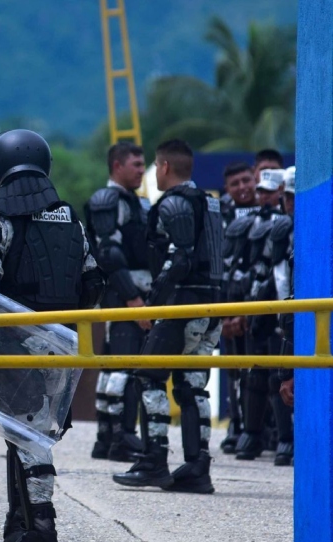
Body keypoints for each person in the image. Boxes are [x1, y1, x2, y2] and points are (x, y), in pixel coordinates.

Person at [0, 129, 105, 542]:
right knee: (28, 436)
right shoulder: (71, 220)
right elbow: (93, 283)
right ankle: (20, 523)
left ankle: (41, 534)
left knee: (28, 438)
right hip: (64, 344)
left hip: (18, 341)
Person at [114, 139, 223, 495]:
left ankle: (153, 461)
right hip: (216, 307)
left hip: (183, 305)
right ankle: (197, 467)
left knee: (148, 376)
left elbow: (179, 260)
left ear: (163, 167)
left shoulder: (173, 204)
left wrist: (154, 306)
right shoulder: (213, 204)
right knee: (193, 385)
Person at [85, 142, 151, 462]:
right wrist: (133, 297)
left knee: (114, 365)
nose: (141, 170)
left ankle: (107, 437)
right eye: (136, 164)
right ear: (117, 166)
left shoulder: (134, 202)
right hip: (123, 293)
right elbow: (108, 253)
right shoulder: (108, 200)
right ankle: (121, 436)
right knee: (126, 366)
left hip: (131, 291)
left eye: (143, 164)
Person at [234, 168, 287, 461]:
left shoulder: (289, 224)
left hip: (281, 304)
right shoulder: (252, 223)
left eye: (273, 191)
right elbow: (244, 265)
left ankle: (284, 437)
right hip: (257, 305)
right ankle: (250, 434)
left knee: (279, 374)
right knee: (253, 373)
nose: (266, 196)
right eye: (262, 191)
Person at [218, 162, 258, 454]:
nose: (243, 187)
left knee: (260, 370)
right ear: (227, 189)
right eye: (236, 184)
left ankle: (259, 429)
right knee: (233, 370)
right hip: (228, 303)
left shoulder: (274, 211)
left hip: (260, 305)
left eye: (247, 181)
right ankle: (236, 424)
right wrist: (225, 315)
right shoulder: (218, 216)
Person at [269, 166, 295, 467]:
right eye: (287, 196)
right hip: (286, 315)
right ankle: (284, 438)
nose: (290, 202)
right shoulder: (282, 231)